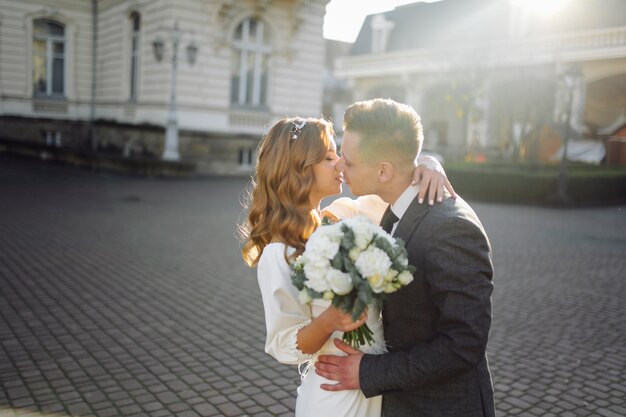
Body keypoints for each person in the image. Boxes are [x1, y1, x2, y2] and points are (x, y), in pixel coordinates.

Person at [240, 116, 454, 417]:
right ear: (299, 169)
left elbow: (398, 187)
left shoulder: (341, 217)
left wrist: (430, 163)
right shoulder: (280, 254)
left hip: (377, 383)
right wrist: (330, 320)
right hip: (335, 396)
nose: (341, 163)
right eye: (329, 157)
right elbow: (284, 344)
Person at [315, 99, 496, 417]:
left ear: (383, 170)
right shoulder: (396, 206)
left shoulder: (451, 228)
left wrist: (369, 372)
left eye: (349, 161)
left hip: (441, 407)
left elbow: (464, 343)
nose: (340, 167)